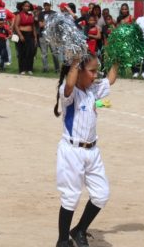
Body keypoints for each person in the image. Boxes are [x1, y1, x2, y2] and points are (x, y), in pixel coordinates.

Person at [53, 54, 119, 247]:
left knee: (101, 194)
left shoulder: (93, 89)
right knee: (71, 196)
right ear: (78, 71)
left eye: (96, 70)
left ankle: (79, 229)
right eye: (91, 71)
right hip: (72, 151)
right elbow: (69, 85)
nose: (95, 75)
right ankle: (63, 240)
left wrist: (118, 55)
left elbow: (111, 79)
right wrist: (74, 61)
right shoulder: (69, 92)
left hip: (92, 151)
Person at [14, 0, 37, 75]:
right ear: (22, 7)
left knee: (30, 52)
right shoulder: (19, 15)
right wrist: (20, 35)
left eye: (28, 6)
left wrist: (35, 37)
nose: (27, 7)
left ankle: (29, 68)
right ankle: (22, 69)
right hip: (22, 34)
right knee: (22, 52)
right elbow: (16, 26)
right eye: (25, 6)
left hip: (30, 35)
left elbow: (33, 27)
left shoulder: (31, 15)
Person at [38, 1, 60, 73]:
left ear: (50, 5)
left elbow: (56, 24)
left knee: (55, 53)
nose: (46, 7)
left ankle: (57, 68)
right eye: (45, 5)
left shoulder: (55, 13)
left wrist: (46, 23)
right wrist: (49, 22)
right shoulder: (41, 14)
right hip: (43, 35)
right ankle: (45, 68)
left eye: (48, 5)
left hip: (52, 35)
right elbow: (41, 25)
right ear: (43, 6)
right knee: (44, 53)